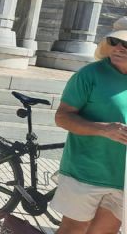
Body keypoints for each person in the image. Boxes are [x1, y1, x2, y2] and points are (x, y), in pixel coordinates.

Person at [50, 25, 127, 233]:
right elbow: (62, 117)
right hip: (84, 172)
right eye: (114, 42)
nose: (119, 47)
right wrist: (104, 129)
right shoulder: (89, 75)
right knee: (73, 230)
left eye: (126, 43)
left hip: (123, 179)